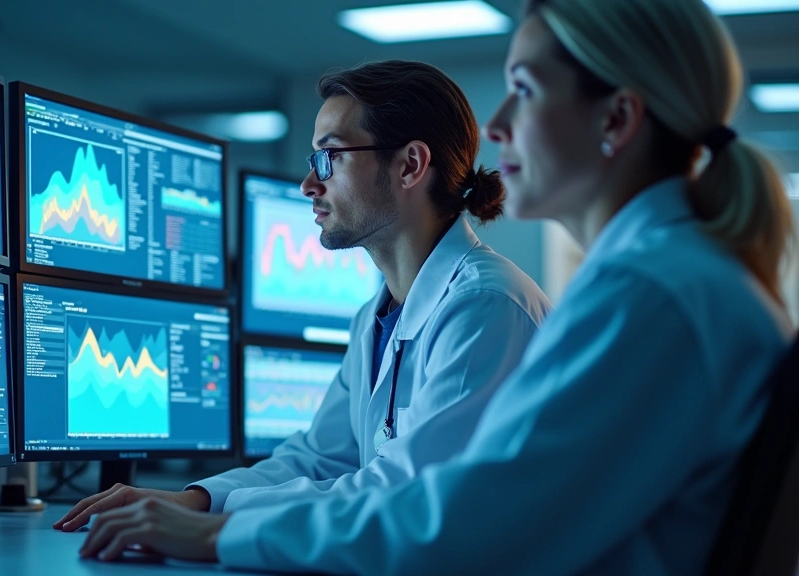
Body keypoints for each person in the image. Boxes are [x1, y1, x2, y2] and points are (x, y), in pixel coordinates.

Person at [73, 0, 797, 572]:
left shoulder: (649, 294)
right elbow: (331, 461)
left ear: (616, 117)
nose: (499, 125)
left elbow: (459, 522)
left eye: (524, 90)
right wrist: (200, 501)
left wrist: (220, 533)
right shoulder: (668, 277)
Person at [55, 60, 551, 531]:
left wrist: (214, 524)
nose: (308, 183)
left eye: (329, 158)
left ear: (409, 165)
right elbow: (319, 456)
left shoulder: (485, 305)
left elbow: (407, 490)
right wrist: (196, 500)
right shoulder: (375, 318)